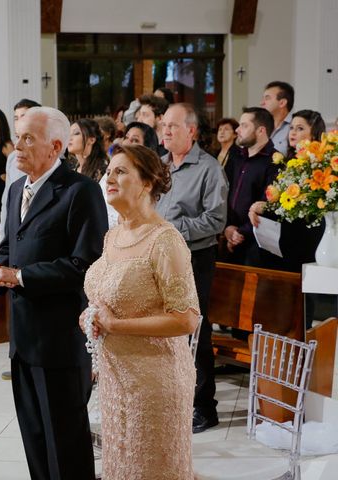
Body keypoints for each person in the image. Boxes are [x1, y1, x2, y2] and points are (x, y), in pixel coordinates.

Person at [0, 106, 108, 480]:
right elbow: (11, 244)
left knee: (65, 443)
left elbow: (85, 265)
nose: (17, 146)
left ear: (55, 147)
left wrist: (19, 276)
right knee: (34, 437)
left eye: (27, 139)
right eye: (18, 136)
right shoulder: (17, 188)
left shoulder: (79, 192)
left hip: (59, 337)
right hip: (22, 335)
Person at [82, 144, 200, 479]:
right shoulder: (113, 236)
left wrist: (115, 325)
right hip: (118, 382)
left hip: (154, 383)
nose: (109, 178)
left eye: (120, 171)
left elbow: (186, 318)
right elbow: (107, 297)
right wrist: (91, 317)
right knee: (122, 467)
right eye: (108, 171)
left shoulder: (165, 241)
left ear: (147, 183)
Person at [156, 103, 228, 434]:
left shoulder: (209, 168)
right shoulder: (160, 166)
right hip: (160, 259)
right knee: (165, 331)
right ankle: (174, 399)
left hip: (194, 258)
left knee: (193, 331)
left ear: (192, 131)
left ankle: (204, 407)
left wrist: (174, 229)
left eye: (173, 125)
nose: (166, 131)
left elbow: (215, 220)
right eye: (163, 126)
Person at [248, 109, 327, 272]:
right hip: (284, 238)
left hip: (307, 239)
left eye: (300, 128)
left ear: (314, 133)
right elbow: (280, 202)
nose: (293, 132)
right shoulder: (288, 163)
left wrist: (266, 208)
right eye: (291, 128)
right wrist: (258, 209)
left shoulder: (319, 166)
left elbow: (301, 207)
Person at [223, 107, 279, 265]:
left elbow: (268, 205)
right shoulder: (236, 157)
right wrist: (227, 227)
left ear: (261, 130)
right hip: (230, 236)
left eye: (244, 125)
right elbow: (223, 193)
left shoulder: (275, 162)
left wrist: (240, 233)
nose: (237, 129)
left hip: (257, 245)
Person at [99, 121, 159, 228]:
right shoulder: (109, 172)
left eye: (135, 140)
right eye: (126, 137)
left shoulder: (150, 179)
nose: (127, 142)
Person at [0, 98, 41, 244]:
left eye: (23, 117)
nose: (18, 121)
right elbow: (6, 202)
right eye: (16, 118)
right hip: (14, 232)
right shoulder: (12, 158)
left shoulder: (48, 155)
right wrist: (2, 239)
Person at [260, 81, 295, 155]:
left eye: (267, 98)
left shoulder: (296, 126)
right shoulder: (260, 126)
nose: (262, 103)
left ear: (282, 103)